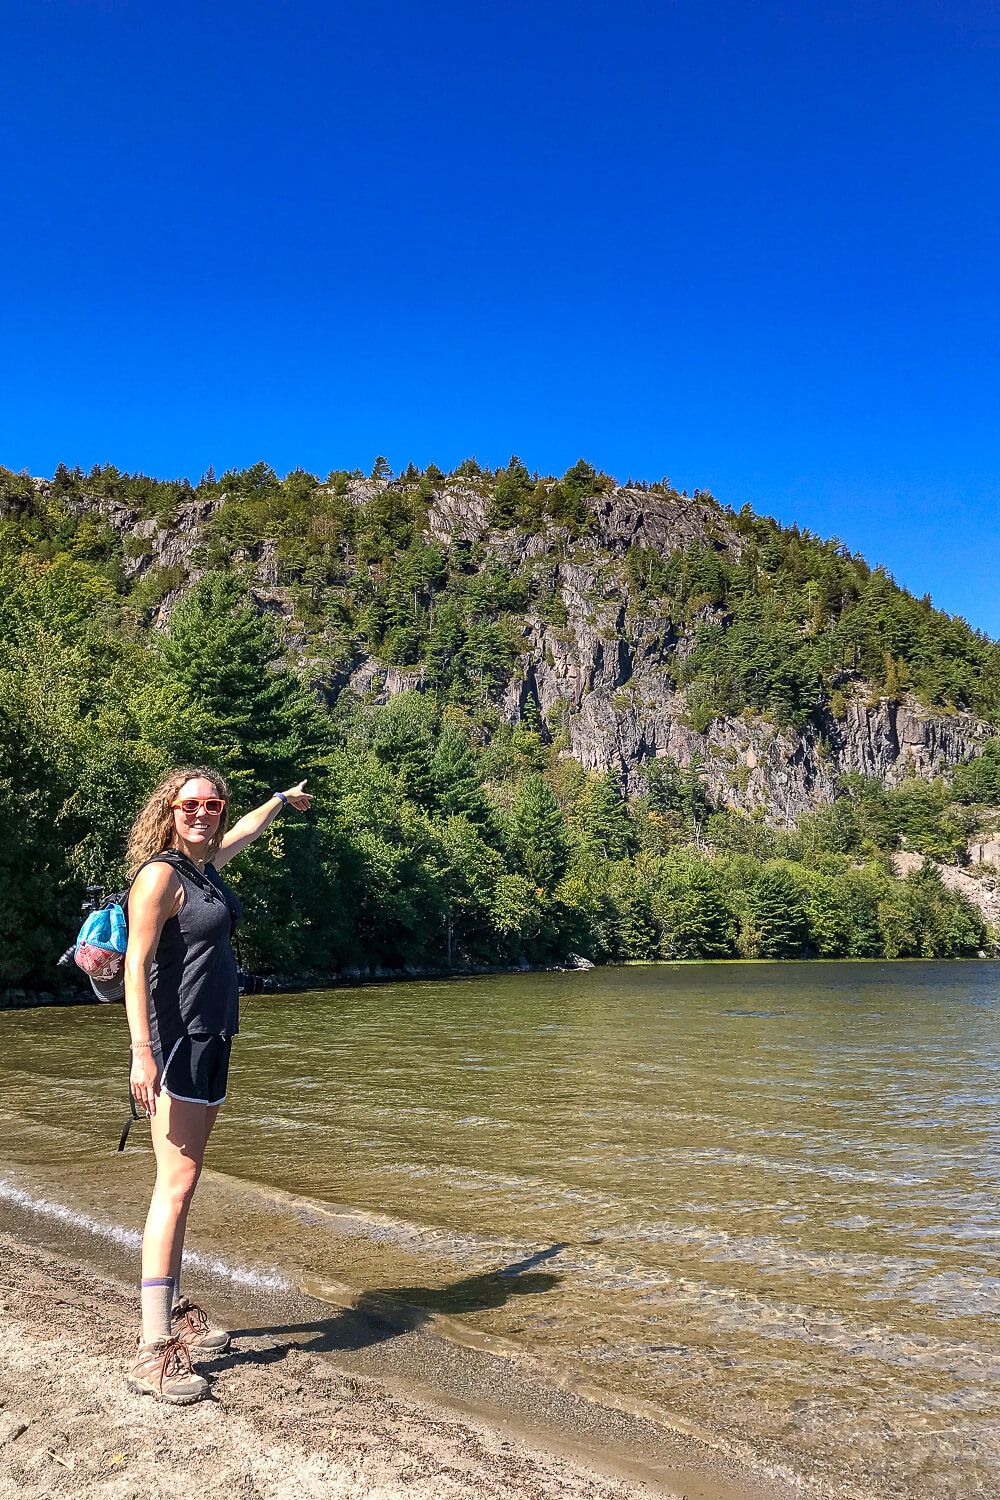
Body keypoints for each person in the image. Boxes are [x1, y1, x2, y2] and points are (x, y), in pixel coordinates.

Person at [123, 766, 312, 1403]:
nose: (205, 812)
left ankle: (172, 1315)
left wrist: (282, 800)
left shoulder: (208, 868)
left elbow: (249, 831)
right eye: (192, 804)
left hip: (211, 1039)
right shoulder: (161, 876)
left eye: (214, 803)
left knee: (186, 1184)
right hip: (174, 1045)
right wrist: (141, 1054)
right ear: (169, 811)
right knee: (172, 1190)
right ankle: (154, 1351)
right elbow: (136, 964)